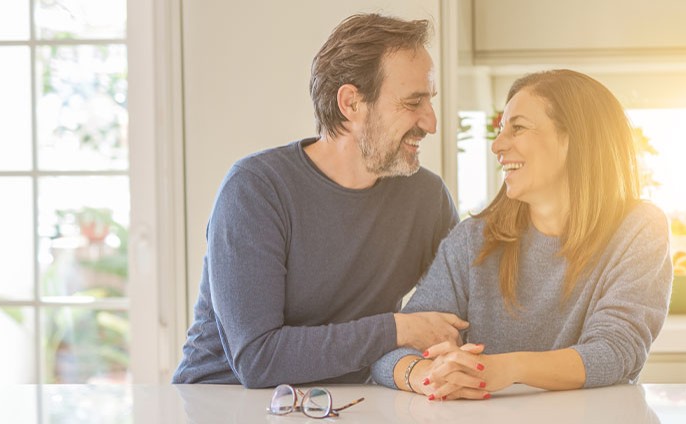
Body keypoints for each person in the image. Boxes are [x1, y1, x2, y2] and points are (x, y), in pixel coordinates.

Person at [172, 13, 468, 389]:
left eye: (430, 101)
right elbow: (258, 359)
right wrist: (398, 328)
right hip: (222, 402)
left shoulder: (426, 198)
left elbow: (467, 303)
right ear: (351, 104)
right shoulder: (256, 190)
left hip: (346, 402)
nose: (431, 122)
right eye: (413, 103)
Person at [371, 69, 673, 400]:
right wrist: (428, 374)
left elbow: (614, 351)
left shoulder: (638, 229)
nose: (497, 146)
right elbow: (394, 350)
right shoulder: (473, 240)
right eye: (501, 130)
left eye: (518, 128)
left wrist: (502, 369)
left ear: (574, 139)